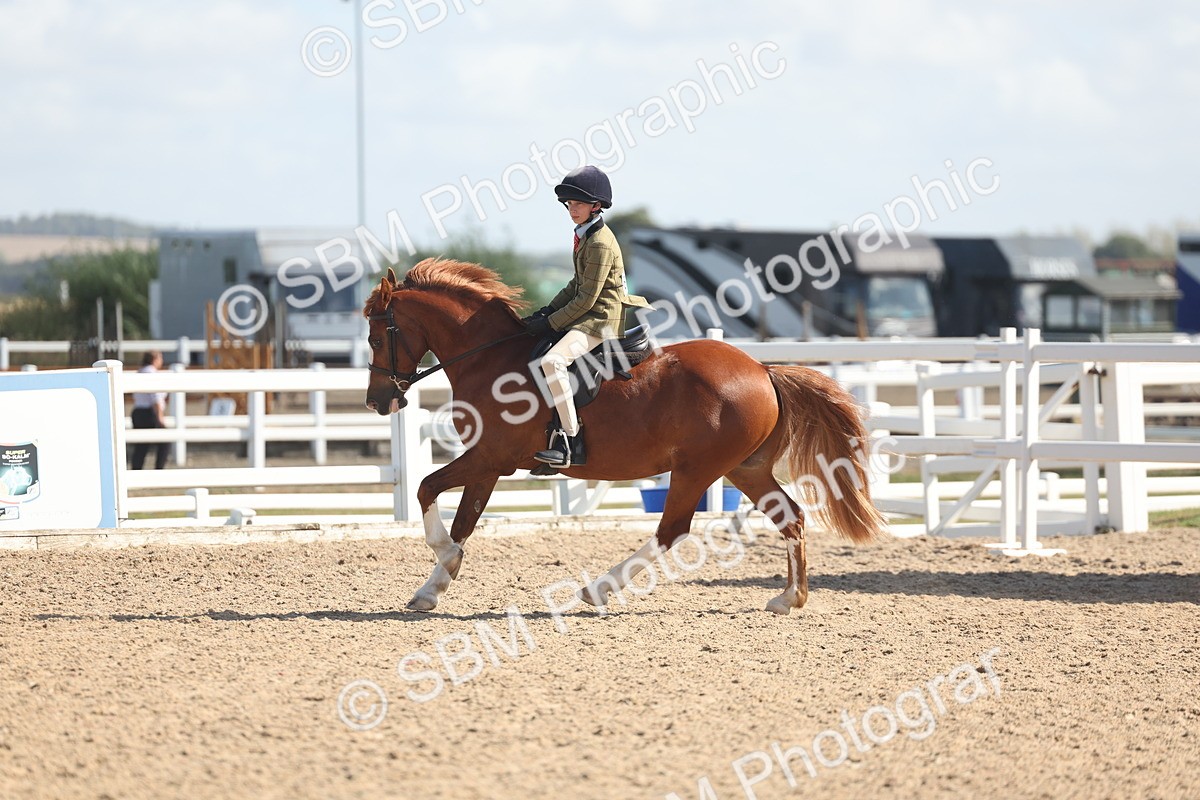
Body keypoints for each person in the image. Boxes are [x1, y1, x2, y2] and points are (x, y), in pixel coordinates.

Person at [522, 165, 651, 468]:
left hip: (601, 321)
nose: (572, 209)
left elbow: (587, 298)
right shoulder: (585, 234)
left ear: (596, 206)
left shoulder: (601, 242)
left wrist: (551, 323)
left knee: (552, 362)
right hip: (587, 315)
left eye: (577, 204)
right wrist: (547, 310)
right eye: (569, 204)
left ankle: (569, 441)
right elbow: (574, 285)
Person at [130, 350, 169, 470]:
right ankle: (159, 470)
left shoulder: (140, 372)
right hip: (149, 413)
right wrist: (160, 416)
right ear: (155, 359)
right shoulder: (152, 373)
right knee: (165, 442)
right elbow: (155, 397)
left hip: (138, 411)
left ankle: (136, 471)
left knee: (141, 445)